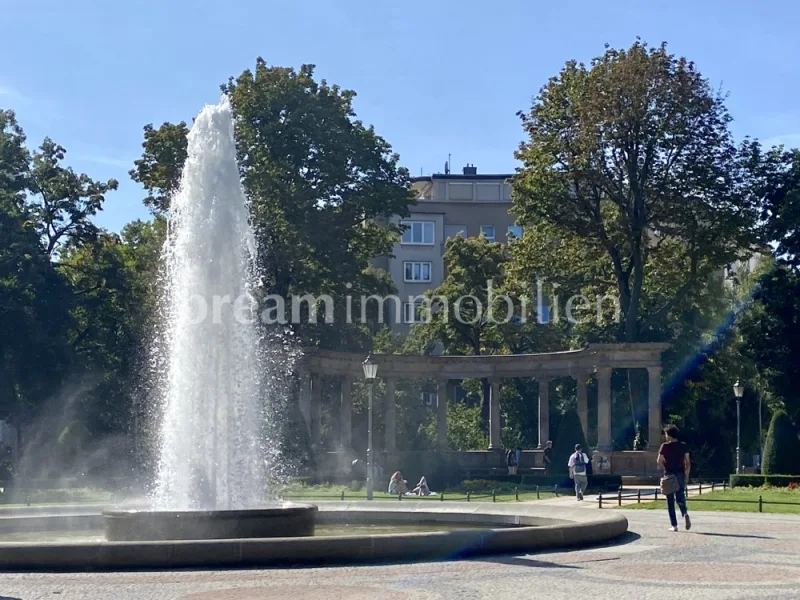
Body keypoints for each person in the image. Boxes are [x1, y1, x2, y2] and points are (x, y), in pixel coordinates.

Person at [658, 424, 691, 532]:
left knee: (670, 501)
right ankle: (684, 513)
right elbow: (687, 462)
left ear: (669, 435)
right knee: (680, 497)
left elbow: (659, 460)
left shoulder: (664, 446)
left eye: (666, 434)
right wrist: (687, 475)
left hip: (669, 474)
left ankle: (674, 525)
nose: (665, 436)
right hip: (680, 474)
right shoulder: (683, 445)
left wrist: (665, 466)